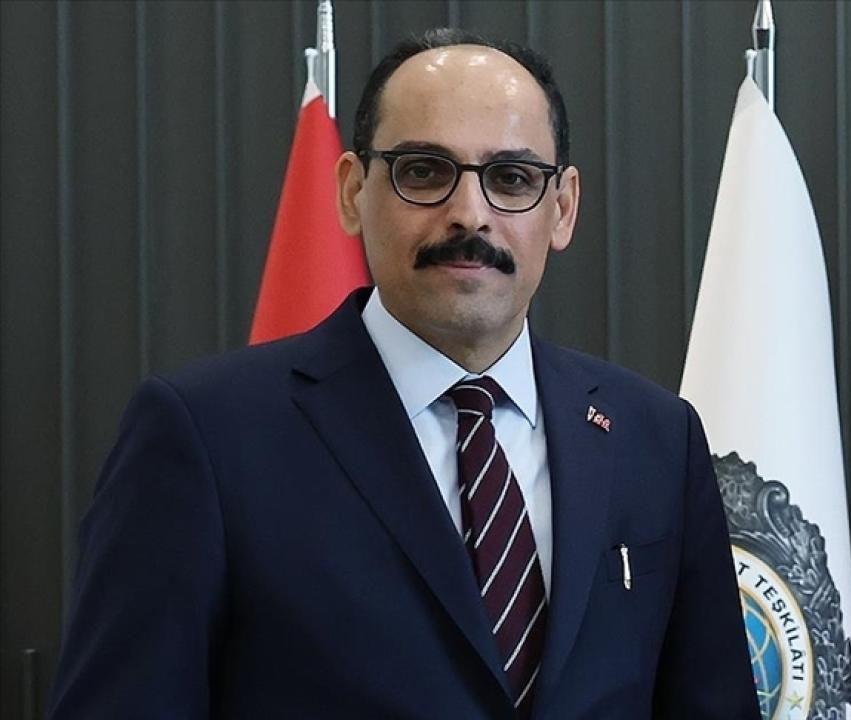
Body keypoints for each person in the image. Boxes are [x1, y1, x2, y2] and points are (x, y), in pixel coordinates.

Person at [49, 28, 758, 720]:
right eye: (424, 171)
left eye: (512, 178)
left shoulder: (654, 437)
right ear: (352, 191)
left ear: (563, 208)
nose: (470, 215)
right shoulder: (206, 435)